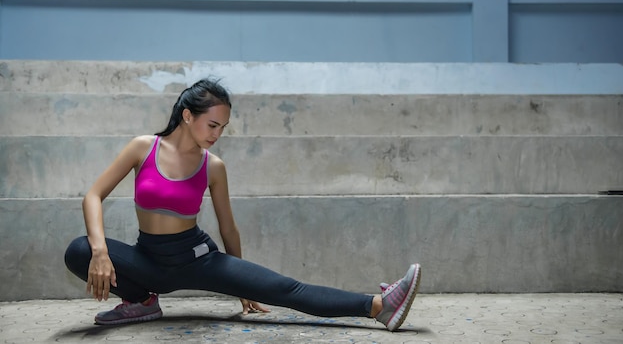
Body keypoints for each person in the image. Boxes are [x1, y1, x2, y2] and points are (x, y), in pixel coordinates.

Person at [64, 78, 421, 332]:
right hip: (147, 261)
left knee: (286, 289)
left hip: (197, 259)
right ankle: (141, 301)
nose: (216, 134)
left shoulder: (213, 166)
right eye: (212, 124)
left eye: (223, 127)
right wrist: (99, 250)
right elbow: (93, 196)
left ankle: (378, 307)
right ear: (188, 116)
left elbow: (228, 227)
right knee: (79, 250)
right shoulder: (143, 148)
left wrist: (242, 285)